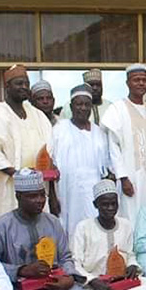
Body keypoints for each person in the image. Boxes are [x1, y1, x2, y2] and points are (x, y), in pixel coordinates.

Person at [0, 64, 52, 220]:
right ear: (7, 86)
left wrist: (48, 166)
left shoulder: (37, 115)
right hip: (11, 186)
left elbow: (49, 148)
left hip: (38, 186)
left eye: (26, 84)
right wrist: (20, 176)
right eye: (19, 83)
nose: (24, 87)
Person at [102, 64, 146, 227]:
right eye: (136, 80)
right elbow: (113, 147)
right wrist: (122, 177)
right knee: (130, 217)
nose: (141, 83)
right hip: (130, 177)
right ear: (127, 83)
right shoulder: (117, 109)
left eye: (144, 80)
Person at [51, 84, 110, 239]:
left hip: (94, 194)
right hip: (68, 192)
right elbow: (51, 166)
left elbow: (106, 170)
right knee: (70, 229)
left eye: (86, 104)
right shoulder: (59, 130)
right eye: (79, 104)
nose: (83, 108)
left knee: (94, 231)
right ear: (71, 106)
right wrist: (51, 196)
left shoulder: (99, 133)